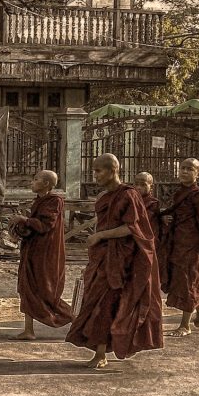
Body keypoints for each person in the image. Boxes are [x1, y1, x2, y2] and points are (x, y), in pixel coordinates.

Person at [65, 154, 162, 369]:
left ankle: (101, 354)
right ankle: (100, 352)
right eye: (94, 171)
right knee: (97, 303)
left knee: (109, 305)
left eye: (98, 171)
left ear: (113, 170)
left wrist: (101, 236)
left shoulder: (129, 195)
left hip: (123, 261)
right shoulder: (103, 197)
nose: (95, 175)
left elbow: (132, 228)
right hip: (103, 258)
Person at [11, 170, 73, 340]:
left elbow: (46, 225)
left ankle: (75, 319)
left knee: (46, 292)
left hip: (45, 253)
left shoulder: (55, 201)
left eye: (36, 179)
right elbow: (33, 228)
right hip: (32, 250)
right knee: (27, 288)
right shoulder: (38, 201)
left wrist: (24, 220)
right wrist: (21, 228)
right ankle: (28, 330)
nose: (32, 182)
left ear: (46, 183)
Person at [159, 158, 199, 336]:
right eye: (182, 168)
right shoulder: (178, 193)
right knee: (179, 283)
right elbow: (169, 214)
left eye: (190, 169)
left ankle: (185, 325)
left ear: (198, 174)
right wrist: (164, 219)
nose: (184, 172)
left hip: (193, 246)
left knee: (189, 283)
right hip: (177, 245)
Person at [134, 172, 161, 246]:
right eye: (136, 184)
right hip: (134, 237)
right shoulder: (131, 200)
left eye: (143, 185)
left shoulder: (153, 203)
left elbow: (143, 220)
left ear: (151, 187)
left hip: (148, 238)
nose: (138, 187)